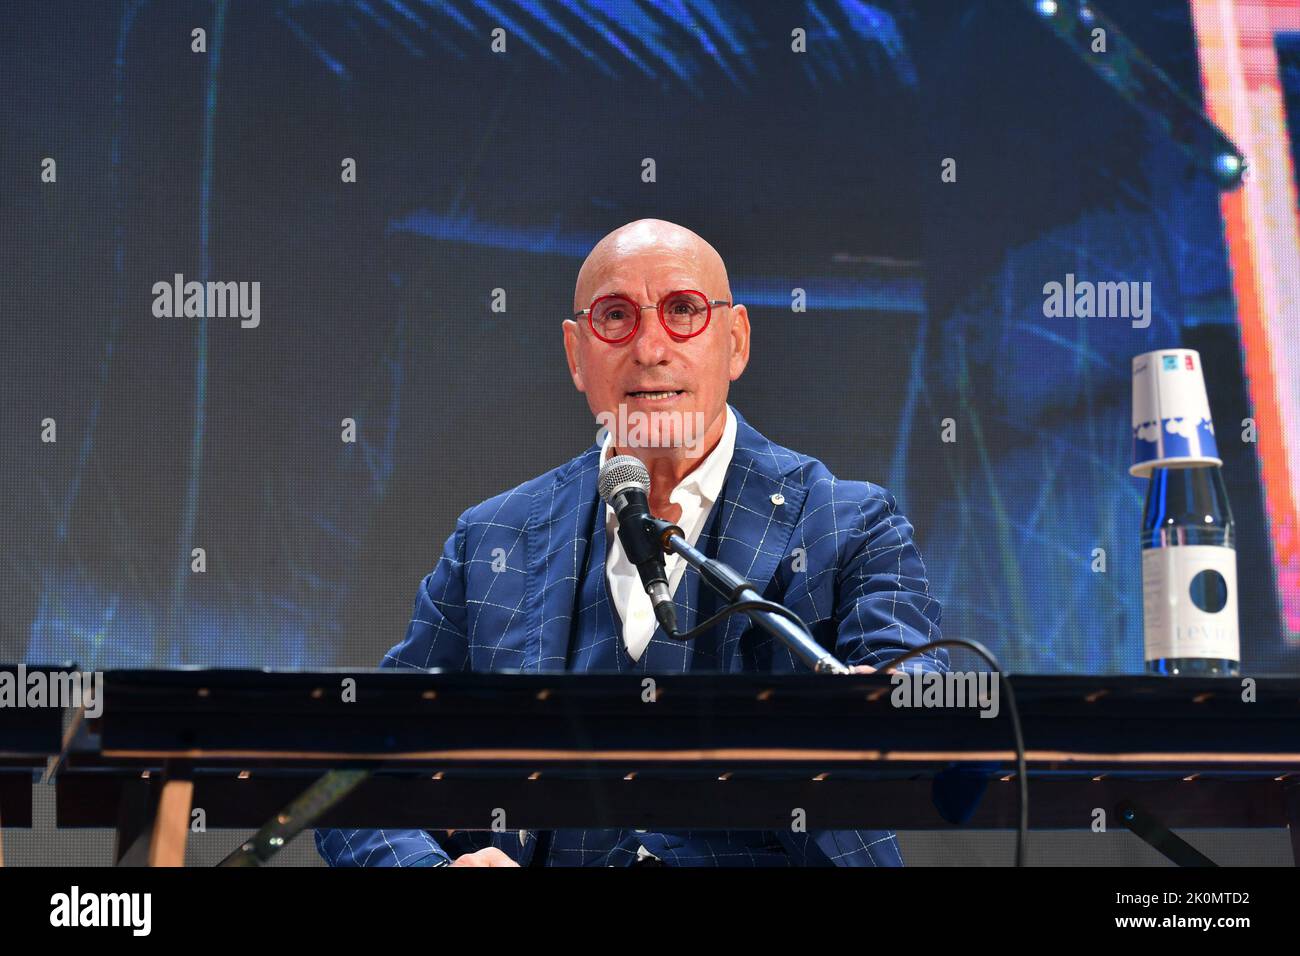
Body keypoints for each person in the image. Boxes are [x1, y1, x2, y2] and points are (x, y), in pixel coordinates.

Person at [317, 219, 946, 867]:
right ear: (575, 354)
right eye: (616, 317)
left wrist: (894, 700)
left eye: (683, 312)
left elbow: (925, 688)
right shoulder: (490, 541)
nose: (650, 348)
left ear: (736, 342)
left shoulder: (848, 519)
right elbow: (356, 766)